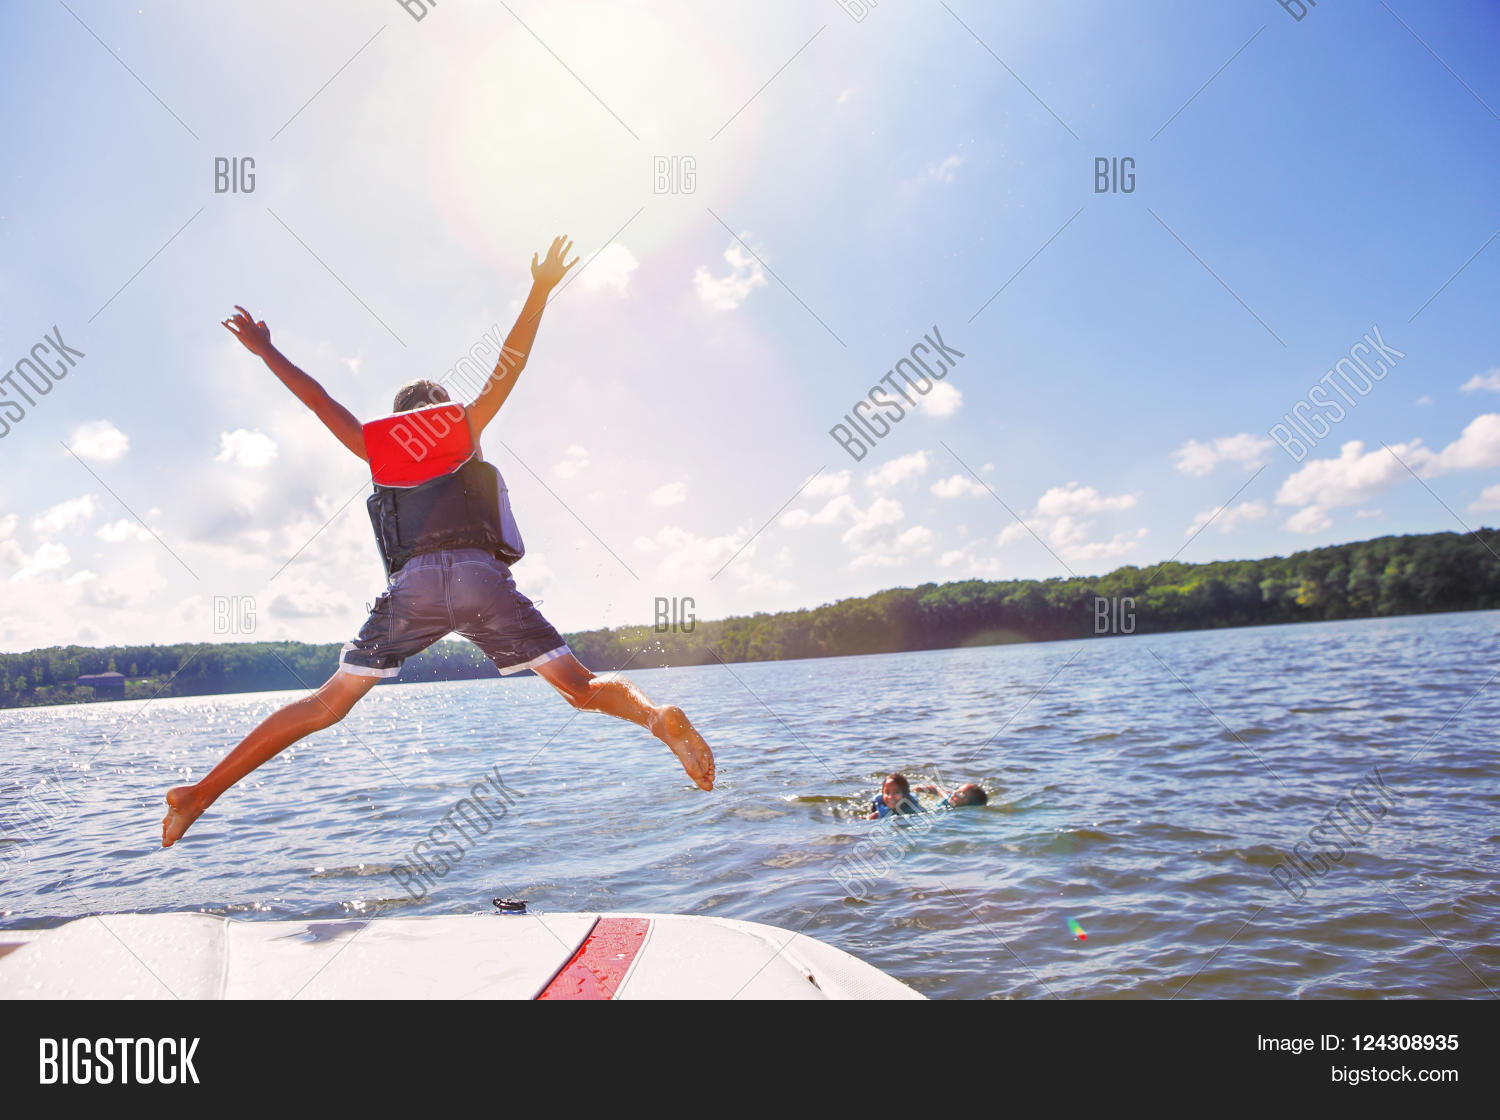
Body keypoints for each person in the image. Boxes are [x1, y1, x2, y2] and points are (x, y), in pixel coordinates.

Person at [161, 236, 714, 848]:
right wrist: (539, 289)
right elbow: (513, 361)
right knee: (581, 690)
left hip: (415, 588)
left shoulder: (376, 448)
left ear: (397, 421)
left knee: (326, 704)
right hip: (483, 581)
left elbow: (317, 398)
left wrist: (266, 350)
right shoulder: (466, 427)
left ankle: (199, 794)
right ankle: (654, 716)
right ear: (446, 416)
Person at [865, 773, 987, 819]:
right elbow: (936, 789)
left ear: (968, 805)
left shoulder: (958, 815)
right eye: (958, 790)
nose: (955, 793)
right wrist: (920, 789)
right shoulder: (949, 799)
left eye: (961, 794)